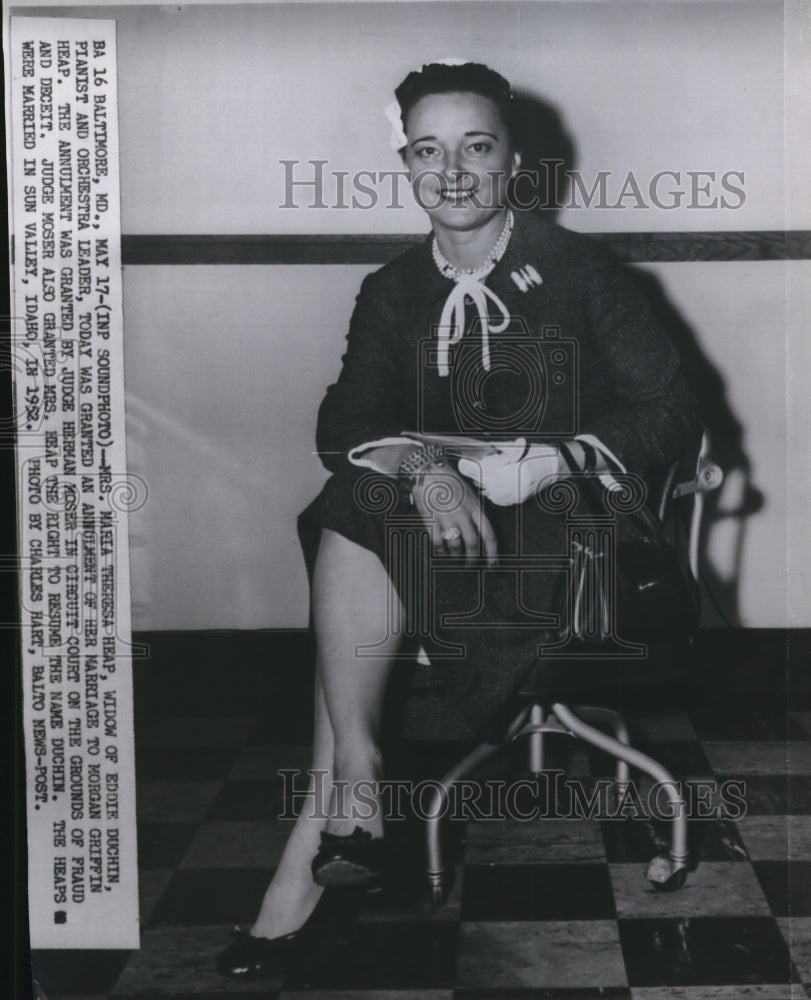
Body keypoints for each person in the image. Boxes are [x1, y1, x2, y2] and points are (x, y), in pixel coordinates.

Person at [217, 59, 698, 979]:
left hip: (576, 540)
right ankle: (351, 792)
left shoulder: (581, 273)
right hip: (436, 537)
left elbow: (671, 408)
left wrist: (551, 459)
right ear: (405, 163)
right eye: (427, 151)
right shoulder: (392, 289)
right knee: (359, 493)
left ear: (513, 159)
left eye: (474, 146)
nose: (451, 172)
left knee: (348, 520)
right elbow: (346, 424)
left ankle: (326, 838)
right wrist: (431, 470)